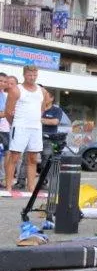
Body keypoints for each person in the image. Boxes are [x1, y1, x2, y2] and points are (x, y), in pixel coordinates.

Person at [3, 64, 52, 197]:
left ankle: (31, 188)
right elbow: (8, 111)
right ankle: (8, 187)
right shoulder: (16, 90)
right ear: (24, 75)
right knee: (14, 157)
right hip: (19, 126)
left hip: (35, 128)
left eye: (35, 75)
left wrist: (35, 120)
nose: (32, 77)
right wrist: (14, 124)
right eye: (30, 75)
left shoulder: (41, 91)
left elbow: (42, 108)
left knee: (33, 158)